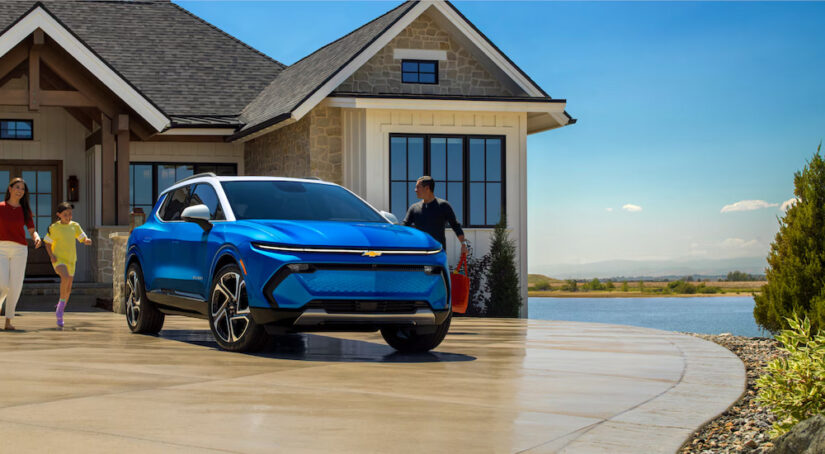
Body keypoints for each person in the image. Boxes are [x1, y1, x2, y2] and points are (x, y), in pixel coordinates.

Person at [0, 178, 42, 330]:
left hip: (20, 250)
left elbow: (31, 230)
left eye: (23, 189)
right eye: (17, 187)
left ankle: (8, 321)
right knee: (3, 284)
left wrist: (37, 238)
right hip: (1, 249)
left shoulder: (25, 210)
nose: (20, 190)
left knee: (15, 286)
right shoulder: (1, 207)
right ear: (10, 189)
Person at [43, 202, 92, 329]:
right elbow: (47, 243)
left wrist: (86, 240)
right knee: (64, 276)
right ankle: (59, 310)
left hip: (71, 260)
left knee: (69, 288)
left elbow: (82, 237)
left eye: (70, 214)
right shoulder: (54, 228)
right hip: (58, 260)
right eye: (65, 214)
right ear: (59, 215)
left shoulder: (75, 226)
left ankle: (61, 307)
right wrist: (51, 256)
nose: (68, 216)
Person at [403, 176, 468, 256]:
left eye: (418, 187)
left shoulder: (443, 206)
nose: (415, 190)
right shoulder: (414, 208)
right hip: (419, 254)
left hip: (438, 254)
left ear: (427, 188)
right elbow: (404, 229)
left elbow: (456, 226)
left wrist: (463, 245)